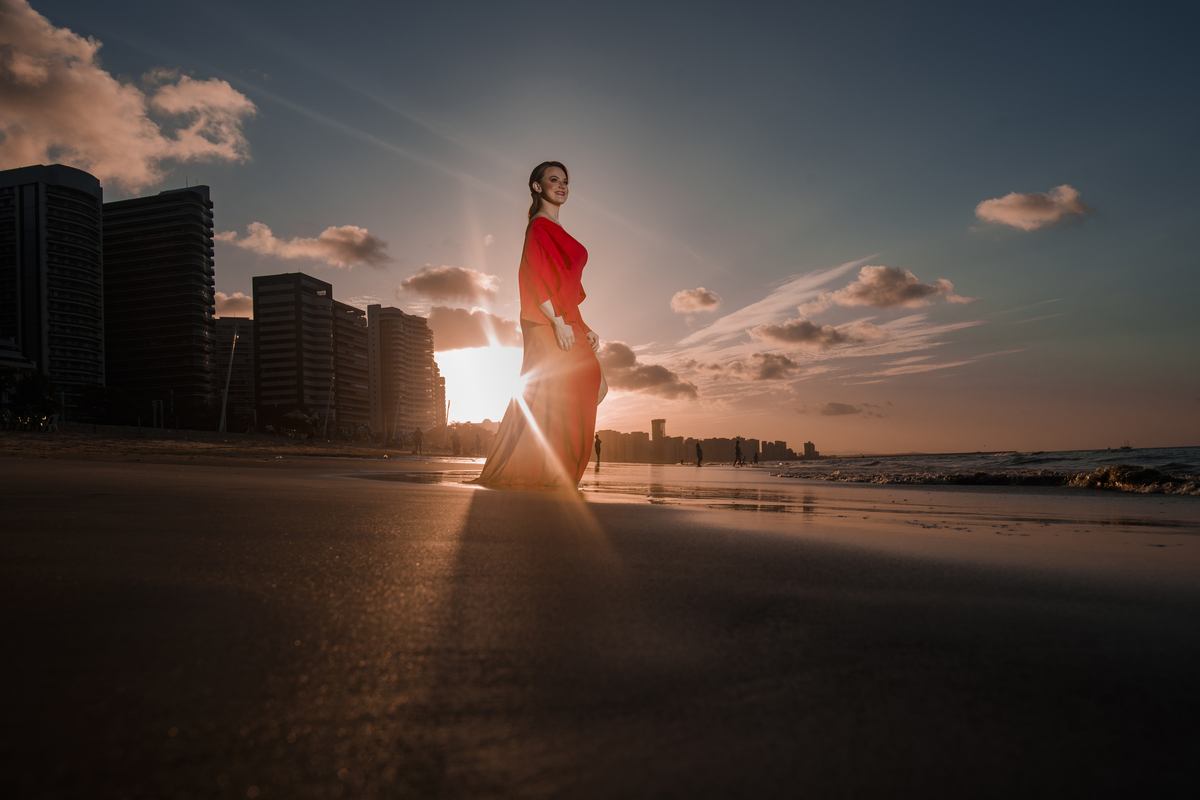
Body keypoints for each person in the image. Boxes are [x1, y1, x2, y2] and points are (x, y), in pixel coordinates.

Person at [476, 161, 606, 488]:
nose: (561, 186)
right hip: (548, 322)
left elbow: (566, 289)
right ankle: (544, 469)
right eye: (553, 180)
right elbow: (535, 278)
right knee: (565, 390)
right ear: (537, 186)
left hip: (565, 320)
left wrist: (584, 326)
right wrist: (558, 323)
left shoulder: (555, 228)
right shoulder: (538, 227)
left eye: (565, 181)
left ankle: (543, 463)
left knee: (589, 387)